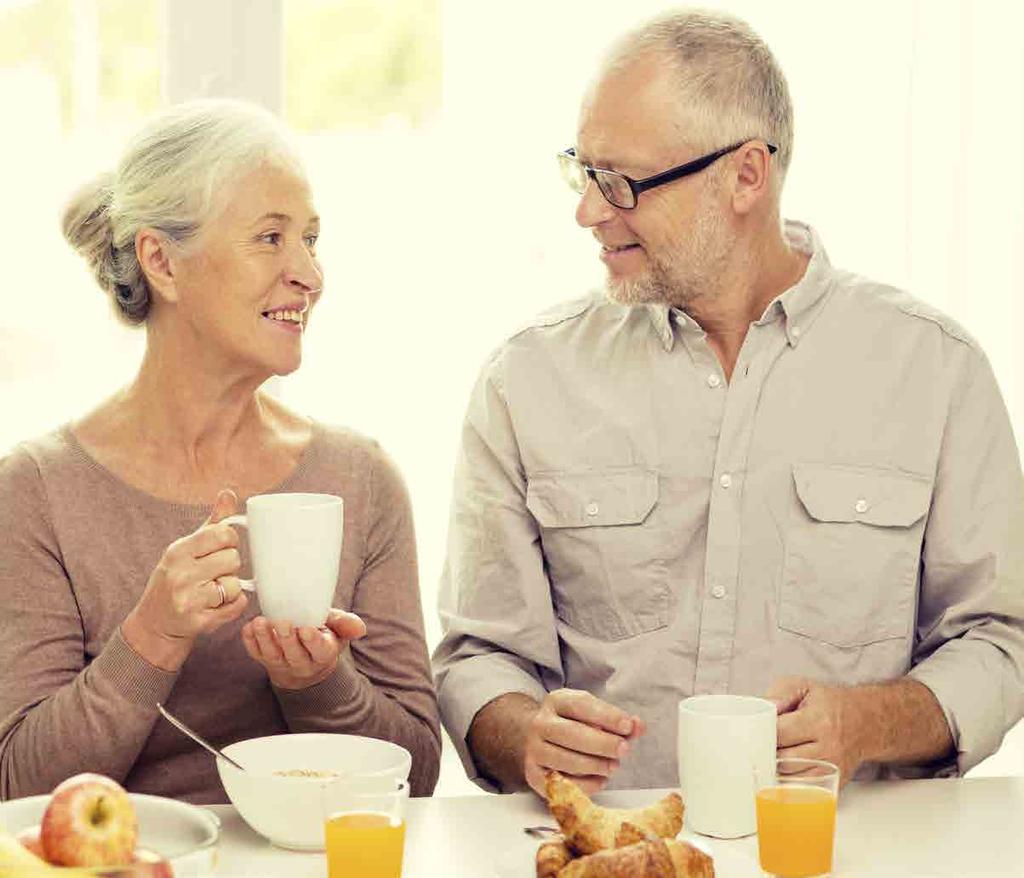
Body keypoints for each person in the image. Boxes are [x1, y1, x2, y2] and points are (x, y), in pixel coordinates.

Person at [433, 8, 1024, 796]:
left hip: (844, 853)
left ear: (747, 175)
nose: (588, 210)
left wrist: (865, 722)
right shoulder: (525, 378)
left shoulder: (935, 370)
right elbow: (479, 656)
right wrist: (523, 733)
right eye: (583, 171)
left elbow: (1000, 641)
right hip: (615, 852)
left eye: (622, 182)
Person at [0, 99, 440, 803]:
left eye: (312, 239)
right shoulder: (36, 491)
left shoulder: (362, 480)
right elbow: (16, 790)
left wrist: (318, 682)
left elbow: (417, 776)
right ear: (162, 263)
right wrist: (150, 639)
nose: (310, 275)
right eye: (270, 238)